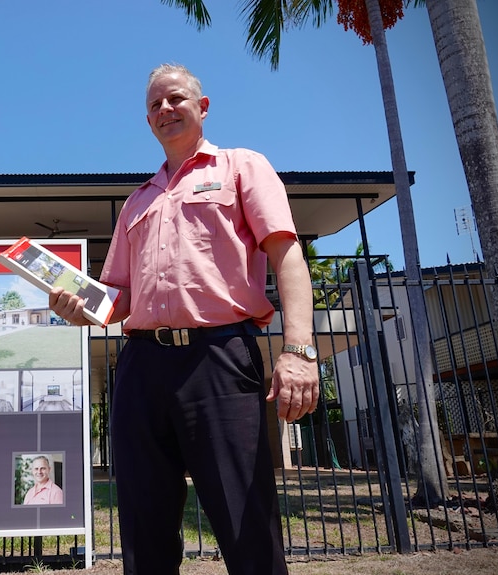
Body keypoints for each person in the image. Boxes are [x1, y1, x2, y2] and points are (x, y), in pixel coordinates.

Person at [49, 63, 319, 574]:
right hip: (141, 368)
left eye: (174, 99)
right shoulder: (137, 202)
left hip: (218, 359)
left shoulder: (241, 167)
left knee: (247, 525)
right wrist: (78, 307)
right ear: (147, 120)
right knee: (144, 532)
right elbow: (119, 300)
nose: (164, 110)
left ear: (203, 106)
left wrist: (299, 349)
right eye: (154, 105)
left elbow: (287, 257)